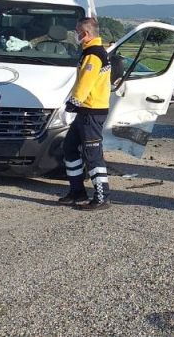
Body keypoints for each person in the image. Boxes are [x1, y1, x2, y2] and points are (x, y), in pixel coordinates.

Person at [58, 17, 113, 210]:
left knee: (92, 155)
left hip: (91, 112)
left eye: (77, 31)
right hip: (85, 111)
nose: (75, 34)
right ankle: (77, 191)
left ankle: (102, 196)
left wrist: (71, 105)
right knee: (70, 147)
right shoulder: (90, 52)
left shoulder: (94, 54)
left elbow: (85, 83)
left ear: (86, 33)